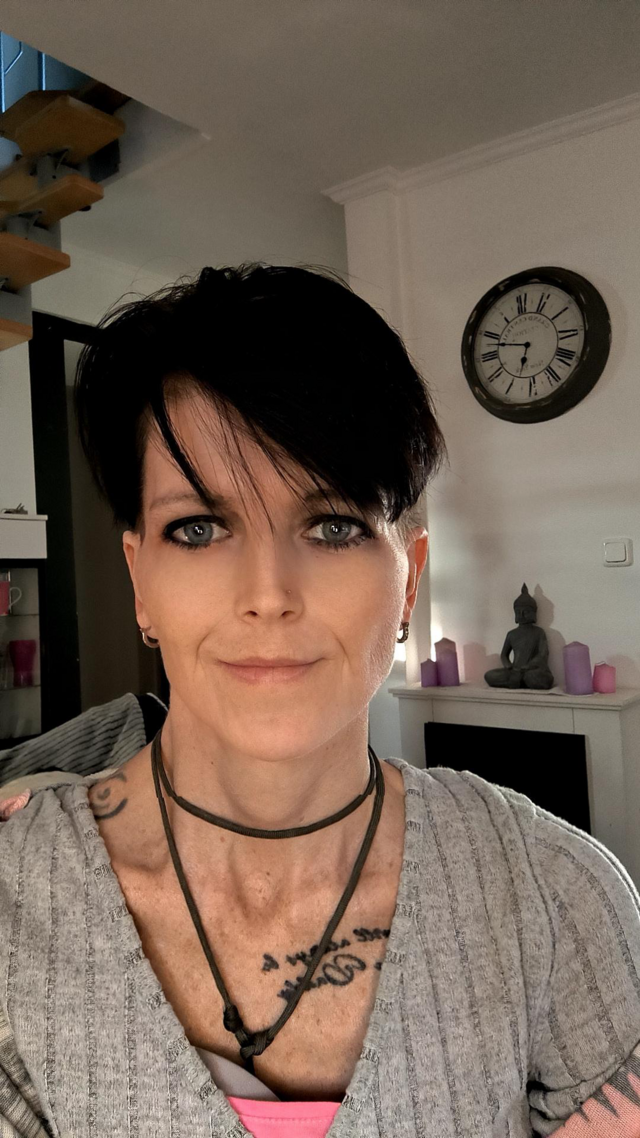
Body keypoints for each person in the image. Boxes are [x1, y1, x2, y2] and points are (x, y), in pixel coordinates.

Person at [1, 263, 640, 1138]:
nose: (268, 594)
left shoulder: (550, 892)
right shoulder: (17, 900)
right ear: (140, 580)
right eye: (199, 528)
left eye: (333, 525)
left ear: (409, 581)